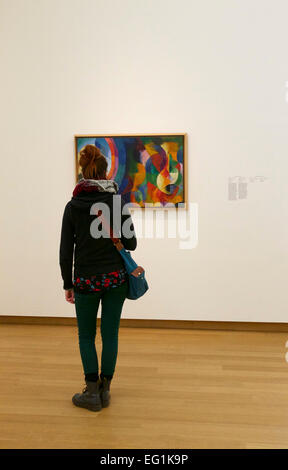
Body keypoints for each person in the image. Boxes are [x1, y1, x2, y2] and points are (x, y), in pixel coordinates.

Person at [59, 144, 137, 412]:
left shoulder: (73, 205)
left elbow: (65, 249)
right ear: (106, 173)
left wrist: (67, 284)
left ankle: (91, 392)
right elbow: (132, 243)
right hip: (115, 279)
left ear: (83, 173)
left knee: (86, 337)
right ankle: (105, 390)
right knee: (110, 335)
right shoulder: (117, 202)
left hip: (85, 281)